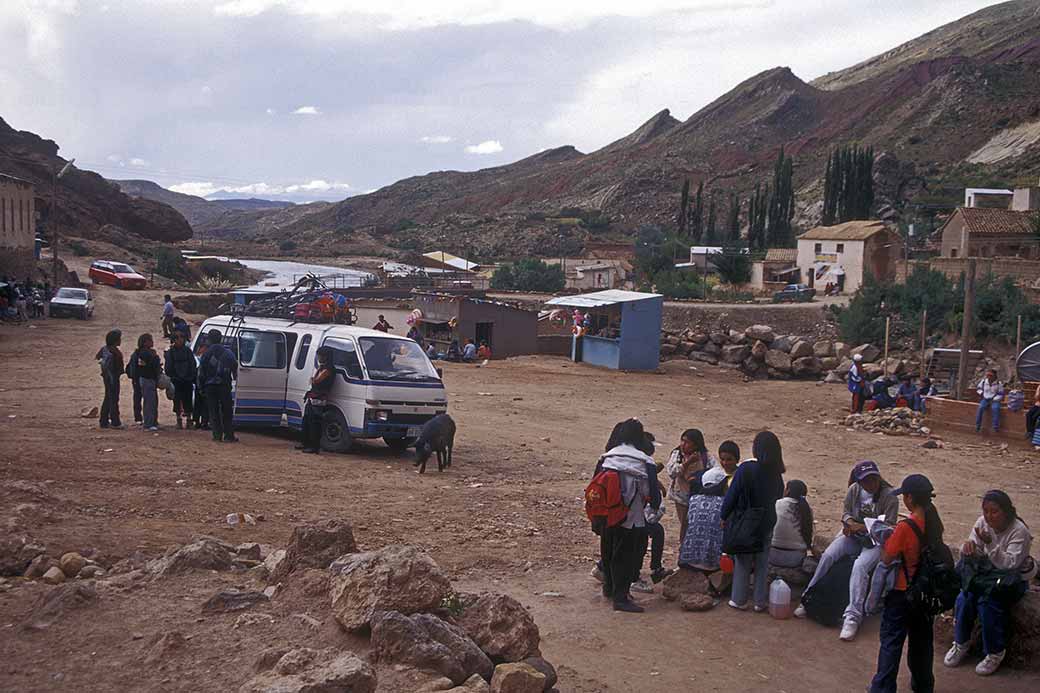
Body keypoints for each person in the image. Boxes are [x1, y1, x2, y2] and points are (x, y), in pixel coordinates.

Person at [796, 460, 900, 641]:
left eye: (873, 479)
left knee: (859, 567)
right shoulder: (854, 490)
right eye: (866, 481)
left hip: (876, 542)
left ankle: (852, 616)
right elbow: (845, 513)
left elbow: (889, 528)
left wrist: (862, 527)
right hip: (854, 536)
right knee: (829, 555)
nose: (871, 484)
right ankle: (809, 597)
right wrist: (850, 524)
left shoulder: (889, 496)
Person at [944, 490, 1036, 677]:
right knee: (965, 597)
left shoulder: (1019, 531)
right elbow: (974, 547)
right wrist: (968, 547)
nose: (989, 516)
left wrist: (990, 544)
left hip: (1010, 581)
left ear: (1007, 512)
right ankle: (961, 643)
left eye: (994, 512)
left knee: (987, 603)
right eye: (986, 511)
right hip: (987, 577)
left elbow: (1009, 565)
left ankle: (995, 652)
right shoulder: (982, 523)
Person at [869, 474, 946, 693]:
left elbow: (886, 558)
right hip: (924, 593)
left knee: (891, 643)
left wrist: (886, 537)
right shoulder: (934, 522)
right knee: (921, 645)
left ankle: (882, 688)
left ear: (910, 498)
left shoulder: (905, 527)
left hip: (903, 592)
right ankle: (923, 686)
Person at [721, 431, 785, 612]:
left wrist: (723, 516)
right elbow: (779, 495)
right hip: (767, 520)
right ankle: (759, 602)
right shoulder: (776, 473)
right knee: (762, 562)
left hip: (746, 521)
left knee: (743, 560)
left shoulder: (746, 469)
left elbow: (732, 496)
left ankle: (739, 599)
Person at [595, 419, 654, 613]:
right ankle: (621, 598)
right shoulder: (644, 460)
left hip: (607, 515)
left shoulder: (606, 457)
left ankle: (609, 589)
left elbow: (595, 486)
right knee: (625, 556)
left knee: (608, 551)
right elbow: (652, 494)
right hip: (630, 517)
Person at [679, 440, 739, 572]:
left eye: (729, 459)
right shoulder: (723, 501)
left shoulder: (694, 500)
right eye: (722, 459)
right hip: (716, 561)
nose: (725, 463)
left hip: (689, 559)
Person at [665, 429, 717, 545]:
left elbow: (715, 473)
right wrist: (687, 463)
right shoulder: (677, 455)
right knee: (685, 523)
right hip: (681, 497)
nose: (683, 445)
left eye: (687, 442)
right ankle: (684, 548)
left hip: (700, 496)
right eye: (682, 441)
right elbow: (671, 472)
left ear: (696, 444)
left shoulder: (705, 457)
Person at [198, 328, 238, 443]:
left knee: (213, 410)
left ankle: (217, 435)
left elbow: (201, 372)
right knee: (227, 411)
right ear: (220, 339)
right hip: (224, 385)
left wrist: (201, 387)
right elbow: (234, 366)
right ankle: (229, 435)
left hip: (210, 386)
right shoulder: (228, 352)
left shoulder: (206, 353)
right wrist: (233, 376)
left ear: (209, 340)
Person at [770, 480, 814, 569]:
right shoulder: (806, 510)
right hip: (795, 559)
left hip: (772, 555)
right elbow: (808, 535)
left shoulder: (777, 503)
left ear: (788, 490)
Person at [298, 346, 334, 454]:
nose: (319, 358)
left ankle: (314, 446)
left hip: (319, 398)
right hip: (313, 397)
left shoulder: (329, 369)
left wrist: (313, 381)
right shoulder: (323, 367)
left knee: (315, 423)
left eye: (321, 356)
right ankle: (305, 443)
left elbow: (316, 381)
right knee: (307, 420)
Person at [164, 331, 197, 430]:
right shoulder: (171, 352)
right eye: (178, 338)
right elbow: (168, 367)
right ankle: (178, 420)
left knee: (188, 400)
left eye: (182, 337)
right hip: (176, 381)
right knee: (177, 401)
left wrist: (190, 377)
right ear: (174, 340)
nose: (180, 340)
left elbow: (193, 365)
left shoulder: (187, 351)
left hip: (187, 380)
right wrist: (174, 377)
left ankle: (189, 421)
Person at [96, 329, 125, 429]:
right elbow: (119, 367)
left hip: (106, 376)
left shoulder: (105, 348)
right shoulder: (115, 352)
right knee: (113, 399)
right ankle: (115, 422)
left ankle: (104, 421)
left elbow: (98, 357)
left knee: (108, 398)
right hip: (113, 377)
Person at [134, 333, 161, 432]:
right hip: (147, 379)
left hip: (150, 379)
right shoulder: (144, 353)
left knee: (153, 401)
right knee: (149, 402)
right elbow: (148, 366)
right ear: (145, 342)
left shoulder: (147, 352)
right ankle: (149, 423)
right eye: (150, 340)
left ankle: (153, 421)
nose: (152, 342)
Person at [975, 369, 1003, 433]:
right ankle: (977, 426)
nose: (989, 377)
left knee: (996, 409)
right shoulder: (984, 382)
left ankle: (995, 427)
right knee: (980, 408)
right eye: (987, 375)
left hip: (995, 400)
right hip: (985, 399)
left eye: (990, 375)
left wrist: (994, 399)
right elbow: (978, 389)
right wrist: (982, 393)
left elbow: (1001, 394)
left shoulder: (999, 383)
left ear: (994, 376)